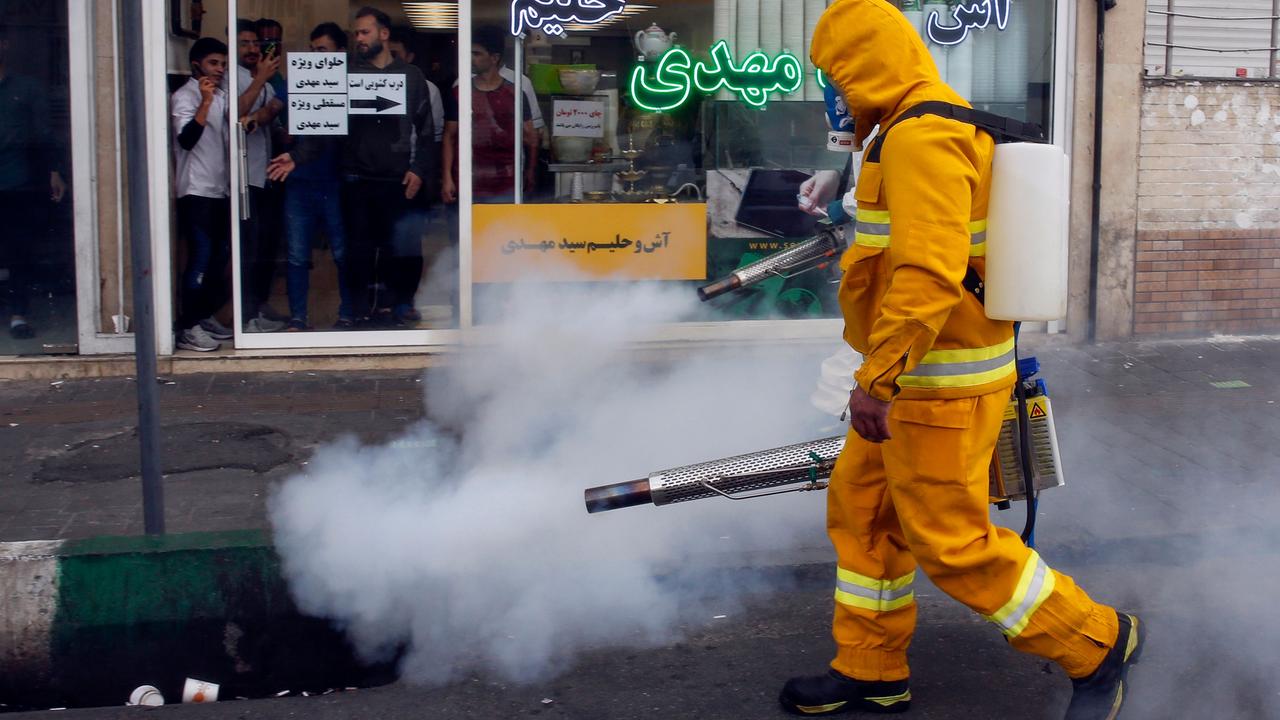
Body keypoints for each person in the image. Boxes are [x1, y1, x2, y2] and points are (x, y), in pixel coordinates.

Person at [780, 2, 1143, 718]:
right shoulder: (905, 131)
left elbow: (926, 273)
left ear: (864, 69)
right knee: (864, 516)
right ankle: (871, 668)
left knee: (952, 542)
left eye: (833, 76)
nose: (831, 93)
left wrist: (878, 381)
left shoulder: (923, 137)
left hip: (932, 387)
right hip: (908, 380)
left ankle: (1098, 643)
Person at [270, 7, 438, 327]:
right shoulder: (345, 75)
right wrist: (297, 156)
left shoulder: (410, 76)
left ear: (383, 34)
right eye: (356, 34)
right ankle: (358, 315)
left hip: (396, 179)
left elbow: (427, 132)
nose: (358, 39)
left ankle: (391, 312)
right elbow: (324, 129)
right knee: (358, 254)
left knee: (395, 252)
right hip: (355, 178)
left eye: (364, 32)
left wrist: (418, 169)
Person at [278, 22, 355, 331]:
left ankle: (347, 313)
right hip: (299, 181)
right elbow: (275, 109)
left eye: (322, 50)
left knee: (342, 253)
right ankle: (298, 318)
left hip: (336, 181)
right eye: (312, 50)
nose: (315, 56)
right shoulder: (300, 79)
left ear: (340, 53)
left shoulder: (353, 83)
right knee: (297, 255)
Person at [0, 21, 67, 341]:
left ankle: (18, 313)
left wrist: (54, 171)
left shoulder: (25, 89)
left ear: (5, 45)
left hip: (17, 183)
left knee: (18, 252)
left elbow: (43, 134)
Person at [170, 37, 232, 352]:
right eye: (213, 63)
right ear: (197, 65)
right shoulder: (185, 97)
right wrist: (204, 103)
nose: (220, 69)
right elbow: (186, 140)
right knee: (201, 258)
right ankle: (188, 326)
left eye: (223, 63)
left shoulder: (221, 96)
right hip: (195, 190)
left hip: (219, 189)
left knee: (219, 257)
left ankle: (204, 315)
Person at [442, 26, 538, 205]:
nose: (471, 58)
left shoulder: (515, 93)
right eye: (469, 53)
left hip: (506, 182)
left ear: (494, 58)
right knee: (465, 232)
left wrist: (530, 172)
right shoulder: (459, 92)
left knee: (503, 232)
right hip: (467, 180)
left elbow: (531, 137)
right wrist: (447, 177)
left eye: (477, 54)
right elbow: (449, 136)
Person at [235, 19, 286, 334]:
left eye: (256, 43)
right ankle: (245, 317)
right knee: (248, 251)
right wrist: (262, 80)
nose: (253, 49)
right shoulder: (231, 79)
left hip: (266, 176)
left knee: (266, 249)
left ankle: (258, 310)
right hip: (242, 180)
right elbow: (237, 115)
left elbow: (267, 121)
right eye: (244, 43)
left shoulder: (263, 82)